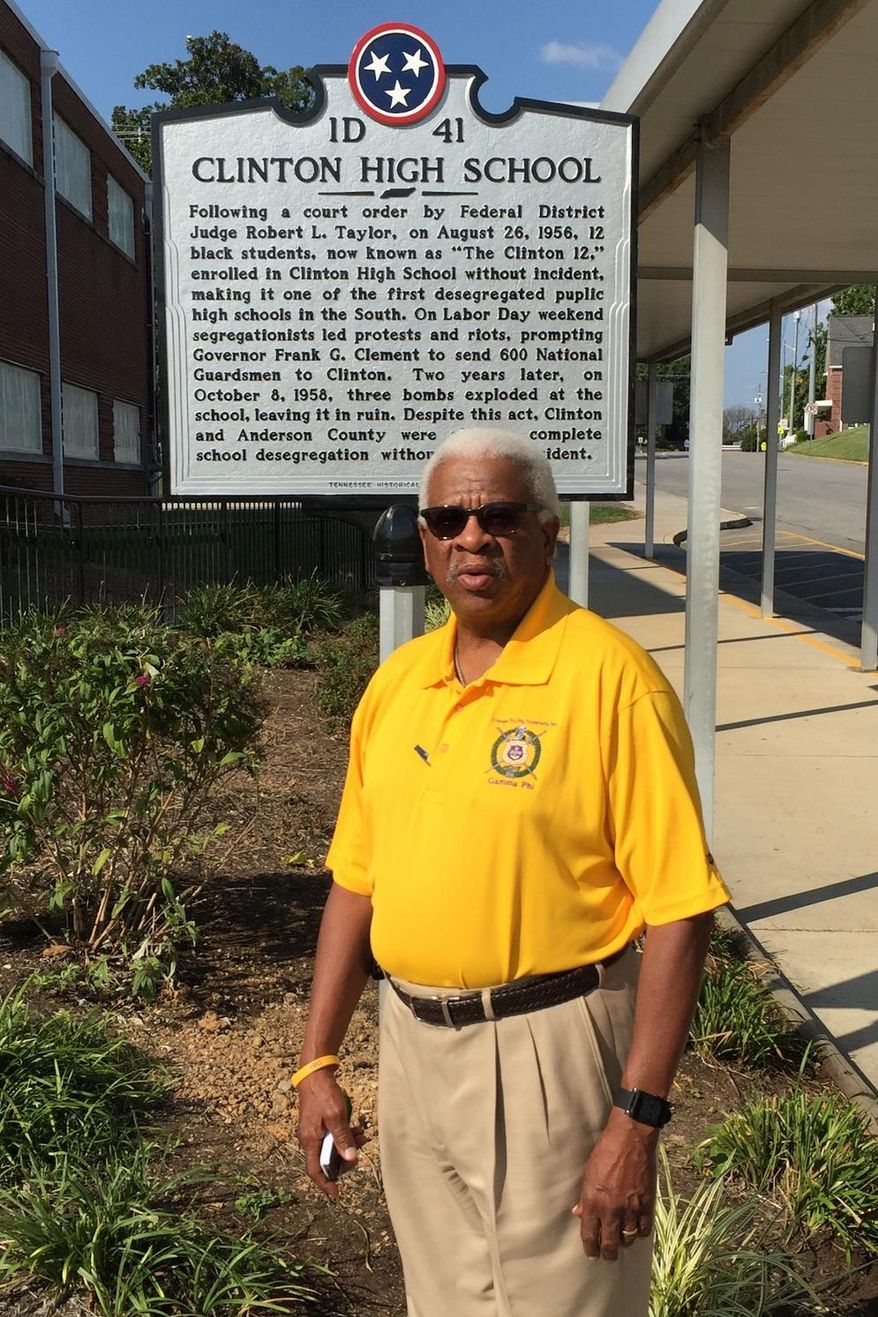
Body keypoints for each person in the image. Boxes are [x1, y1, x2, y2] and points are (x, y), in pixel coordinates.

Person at [294, 427, 730, 1317]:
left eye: (498, 514)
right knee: (444, 1301)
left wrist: (635, 1121)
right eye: (448, 517)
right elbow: (356, 881)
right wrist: (318, 1061)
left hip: (554, 1052)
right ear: (424, 539)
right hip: (413, 1044)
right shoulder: (398, 684)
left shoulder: (612, 681)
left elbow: (682, 912)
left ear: (548, 529)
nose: (471, 537)